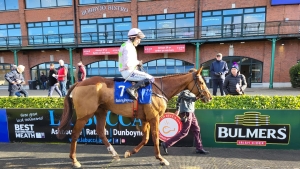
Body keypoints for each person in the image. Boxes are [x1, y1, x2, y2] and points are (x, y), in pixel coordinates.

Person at [161, 69, 209, 155]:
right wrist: (195, 98)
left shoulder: (192, 86)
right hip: (186, 112)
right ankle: (166, 144)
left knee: (196, 129)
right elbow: (183, 96)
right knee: (184, 132)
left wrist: (177, 109)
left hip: (190, 111)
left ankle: (199, 147)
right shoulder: (185, 86)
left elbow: (179, 99)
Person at [118, 28, 154, 100]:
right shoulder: (128, 47)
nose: (139, 41)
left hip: (126, 70)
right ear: (132, 38)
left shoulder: (126, 45)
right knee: (151, 78)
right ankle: (131, 89)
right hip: (128, 72)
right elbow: (128, 64)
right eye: (138, 39)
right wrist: (138, 62)